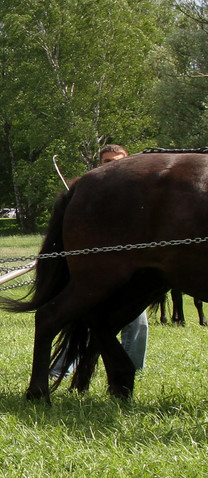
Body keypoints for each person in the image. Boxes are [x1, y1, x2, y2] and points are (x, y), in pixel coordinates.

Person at [100, 144, 147, 371]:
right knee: (79, 318)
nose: (114, 166)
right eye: (108, 162)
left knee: (138, 322)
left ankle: (133, 368)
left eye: (119, 161)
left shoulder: (140, 193)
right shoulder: (90, 192)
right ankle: (60, 370)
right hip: (95, 270)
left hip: (131, 270)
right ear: (99, 165)